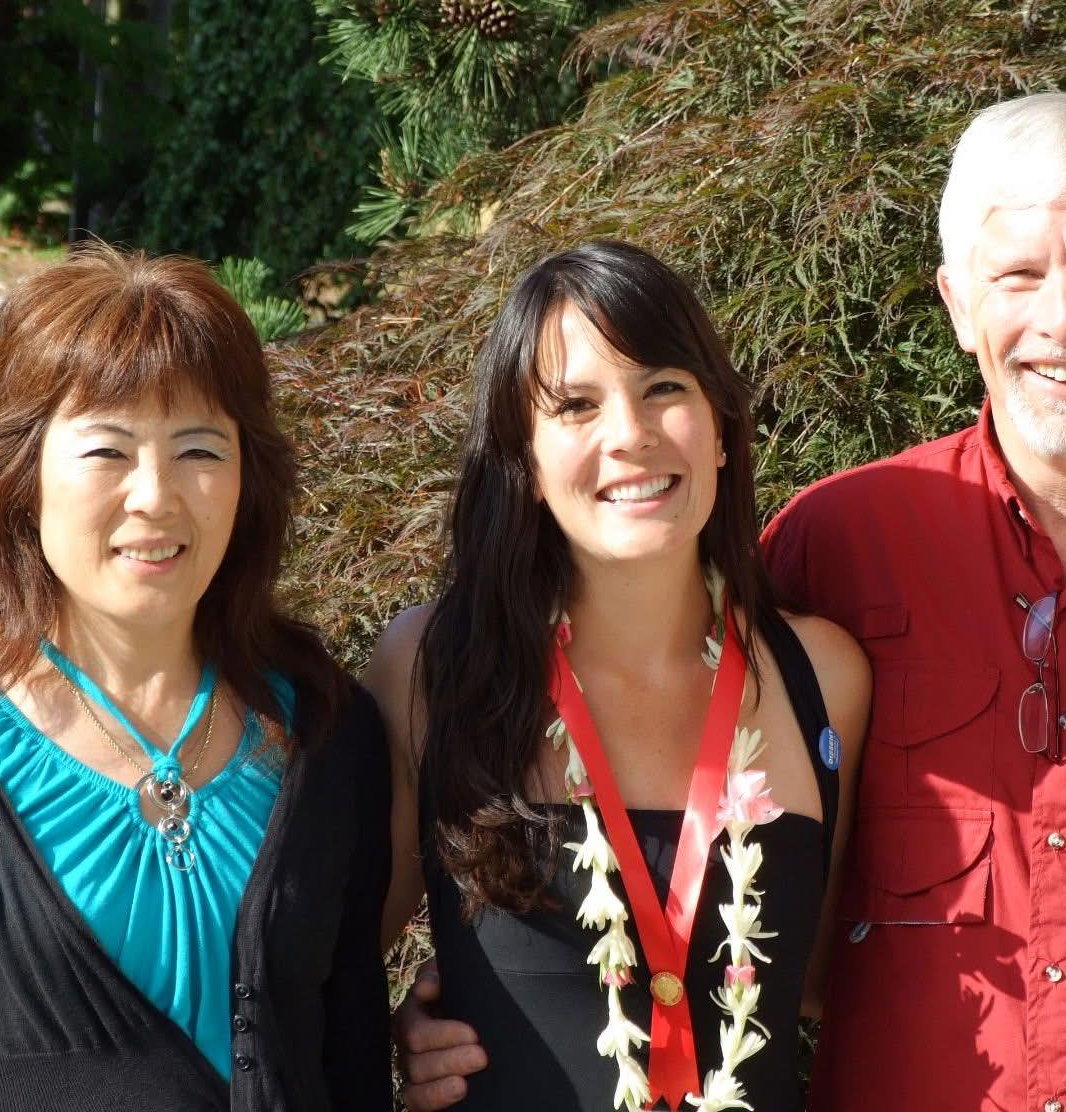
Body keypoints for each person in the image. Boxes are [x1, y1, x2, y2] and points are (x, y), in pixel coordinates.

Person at [394, 94, 1066, 1111]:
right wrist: (467, 1007)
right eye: (1019, 277)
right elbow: (739, 879)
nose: (1064, 319)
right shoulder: (838, 549)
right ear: (958, 306)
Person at [0, 244, 392, 1110]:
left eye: (199, 449)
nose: (156, 495)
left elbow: (351, 1059)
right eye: (108, 450)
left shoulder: (327, 732)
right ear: (23, 474)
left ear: (247, 477)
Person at [365, 240, 869, 1111]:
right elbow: (311, 964)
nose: (630, 435)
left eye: (664, 388)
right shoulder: (429, 669)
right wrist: (391, 1040)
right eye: (576, 406)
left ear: (720, 429)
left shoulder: (823, 676)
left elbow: (832, 985)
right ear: (521, 460)